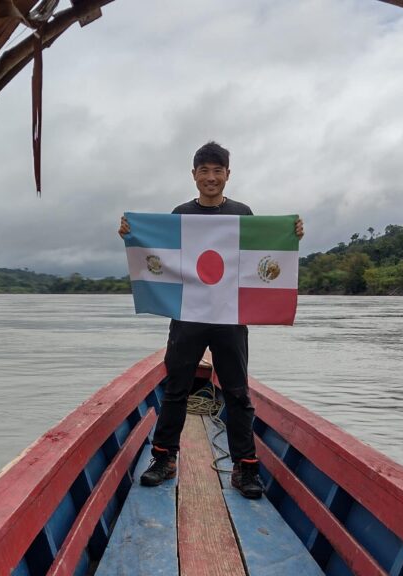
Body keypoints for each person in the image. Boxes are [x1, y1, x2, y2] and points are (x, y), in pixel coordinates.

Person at [118, 141, 304, 499]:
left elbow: (259, 257)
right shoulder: (181, 213)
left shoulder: (241, 213)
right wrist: (131, 234)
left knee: (236, 392)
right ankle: (164, 458)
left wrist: (291, 236)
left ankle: (245, 468)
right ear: (194, 176)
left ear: (228, 175)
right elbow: (159, 254)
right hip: (188, 315)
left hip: (230, 317)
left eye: (218, 171)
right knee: (176, 389)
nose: (211, 177)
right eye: (204, 171)